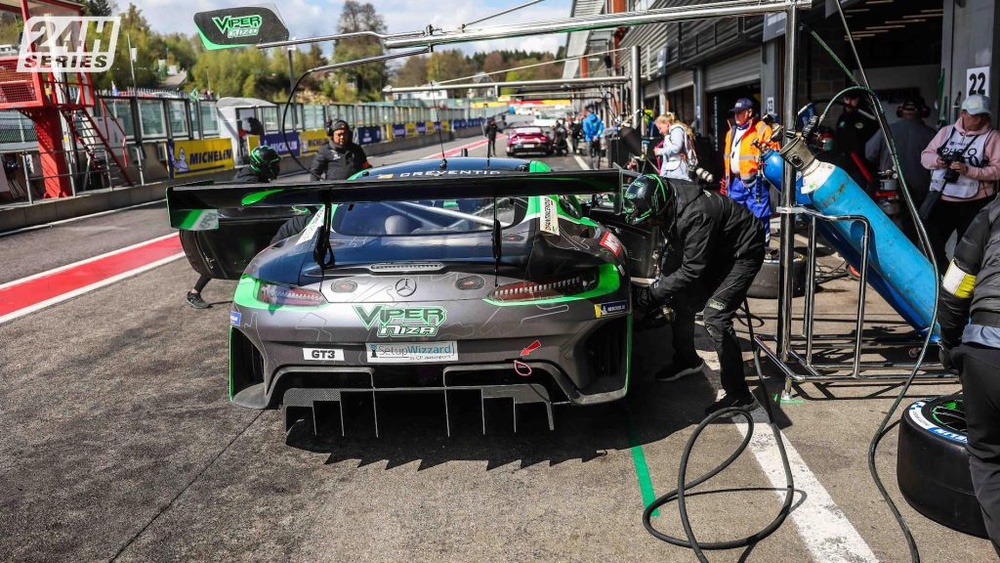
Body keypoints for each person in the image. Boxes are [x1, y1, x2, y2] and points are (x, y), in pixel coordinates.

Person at [626, 174, 766, 415]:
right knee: (681, 298)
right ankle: (687, 360)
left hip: (742, 253)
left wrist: (652, 294)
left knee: (715, 317)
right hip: (718, 246)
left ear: (663, 207)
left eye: (651, 220)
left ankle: (740, 395)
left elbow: (692, 269)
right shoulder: (667, 194)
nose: (649, 225)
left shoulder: (696, 214)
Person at [937, 193, 1000, 556]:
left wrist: (948, 340)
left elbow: (956, 283)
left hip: (987, 350)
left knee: (989, 458)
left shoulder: (992, 211)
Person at [185, 145, 281, 309]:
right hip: (230, 226)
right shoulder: (250, 182)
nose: (277, 168)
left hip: (237, 223)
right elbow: (252, 207)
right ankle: (194, 293)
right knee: (236, 258)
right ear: (263, 165)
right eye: (273, 164)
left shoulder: (253, 175)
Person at [920, 94, 1000, 271]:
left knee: (968, 253)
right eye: (974, 115)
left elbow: (997, 170)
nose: (979, 120)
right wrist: (939, 161)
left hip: (975, 204)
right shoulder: (946, 132)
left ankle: (959, 292)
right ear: (962, 113)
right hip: (942, 199)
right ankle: (940, 276)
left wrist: (968, 170)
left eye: (983, 115)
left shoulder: (992, 137)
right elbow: (925, 157)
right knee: (929, 243)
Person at [865, 95, 936, 206]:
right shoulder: (932, 134)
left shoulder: (886, 130)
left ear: (901, 111)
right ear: (924, 112)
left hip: (891, 190)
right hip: (921, 194)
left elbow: (870, 154)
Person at [722, 97, 776, 243]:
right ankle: (741, 249)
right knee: (736, 218)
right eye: (735, 112)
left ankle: (763, 250)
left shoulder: (761, 129)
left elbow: (774, 155)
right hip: (736, 183)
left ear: (749, 112)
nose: (736, 115)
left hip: (756, 184)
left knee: (760, 217)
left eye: (740, 112)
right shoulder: (731, 132)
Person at [833, 92, 878, 189]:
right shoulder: (842, 118)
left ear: (859, 99)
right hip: (843, 166)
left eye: (853, 99)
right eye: (846, 98)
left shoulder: (868, 118)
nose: (849, 102)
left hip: (862, 168)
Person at [652, 112, 697, 181]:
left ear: (666, 124)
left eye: (660, 128)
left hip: (680, 169)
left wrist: (659, 151)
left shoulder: (677, 130)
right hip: (672, 170)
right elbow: (666, 158)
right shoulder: (668, 136)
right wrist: (662, 176)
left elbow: (676, 148)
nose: (659, 132)